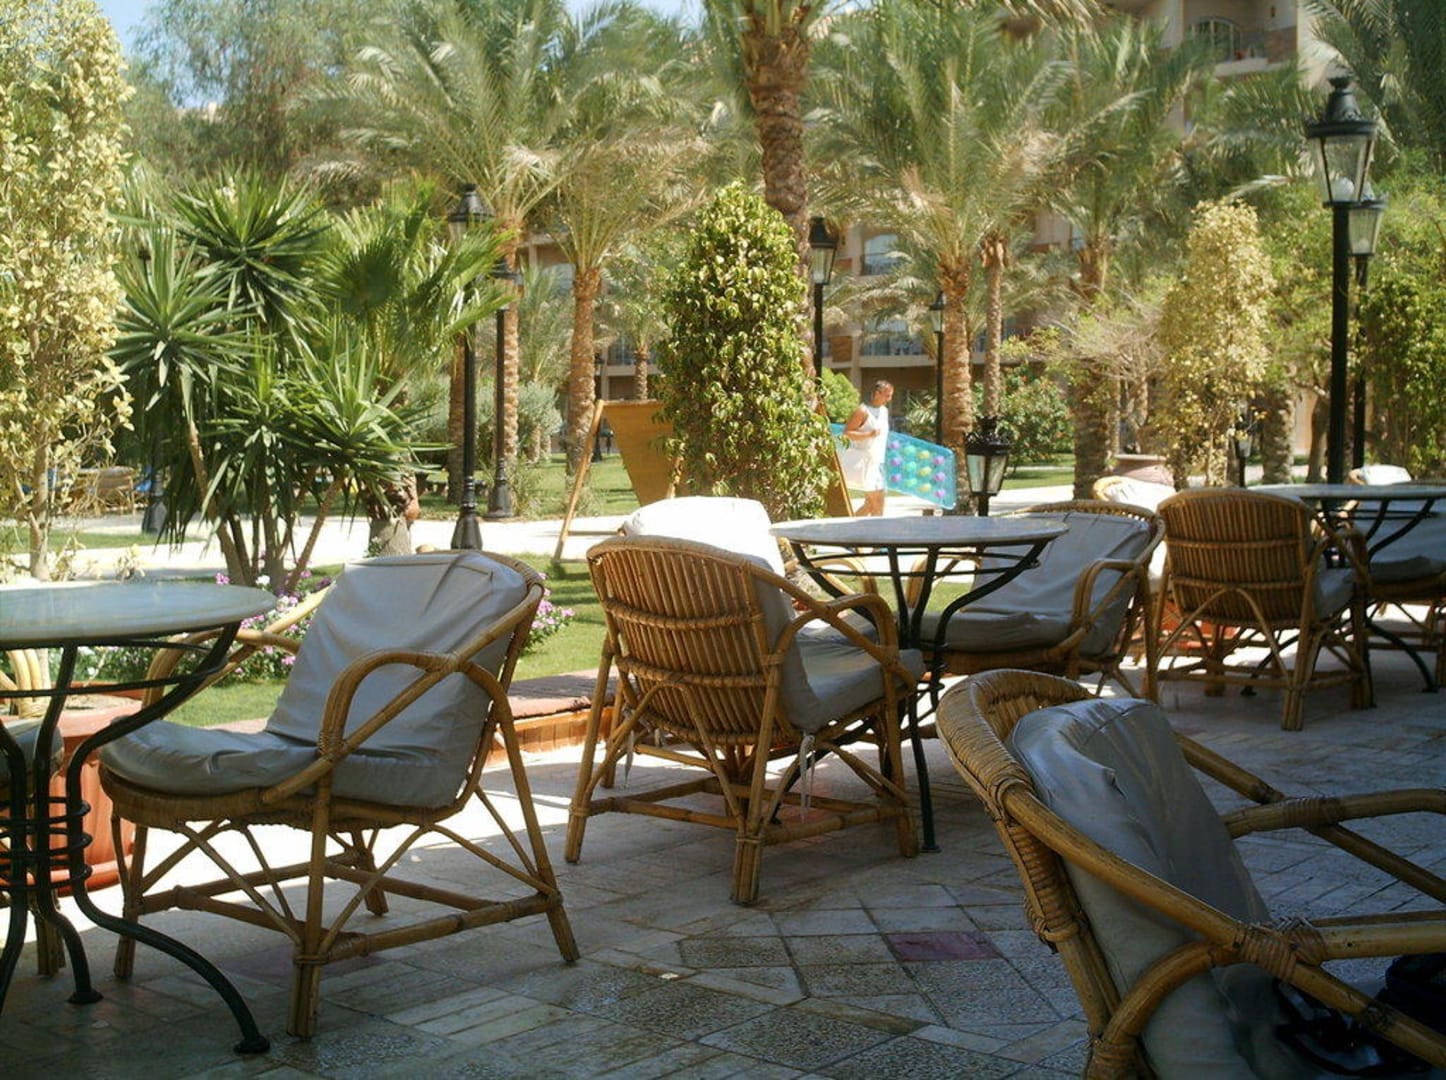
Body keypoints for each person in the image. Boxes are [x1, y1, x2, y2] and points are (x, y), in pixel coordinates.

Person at [842, 380, 894, 516]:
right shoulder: (862, 411)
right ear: (877, 393)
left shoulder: (884, 411)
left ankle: (849, 526)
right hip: (866, 463)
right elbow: (847, 433)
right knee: (877, 504)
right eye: (887, 395)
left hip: (879, 463)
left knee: (870, 506)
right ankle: (875, 530)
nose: (889, 399)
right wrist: (868, 435)